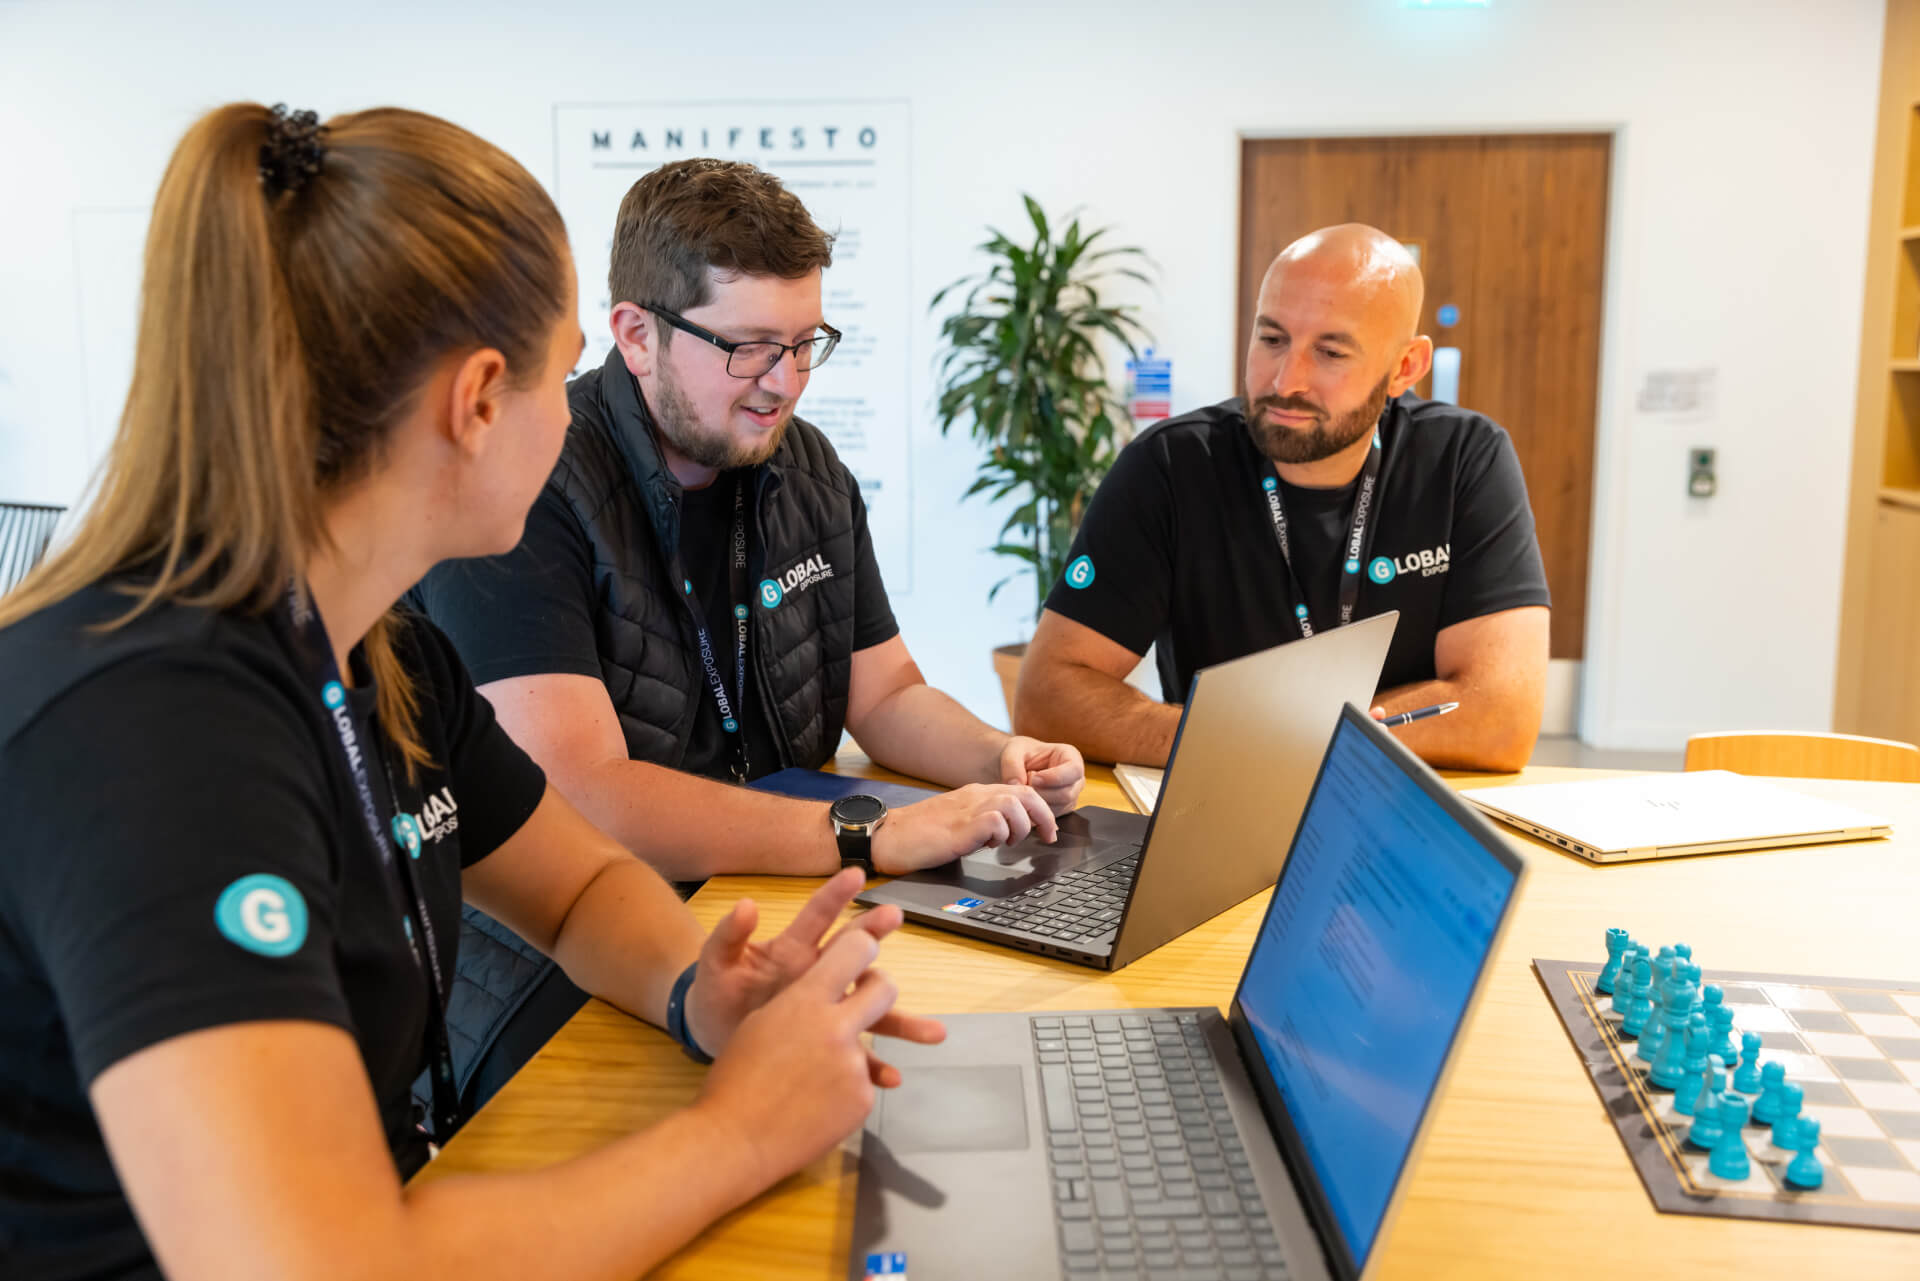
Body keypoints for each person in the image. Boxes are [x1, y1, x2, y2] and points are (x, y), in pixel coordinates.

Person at [0, 102, 939, 1281]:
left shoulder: (384, 657)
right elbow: (318, 1265)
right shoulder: (152, 738)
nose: (578, 412)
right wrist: (741, 1132)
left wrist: (701, 991)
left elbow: (582, 887)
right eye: (562, 371)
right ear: (480, 399)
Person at [410, 157, 1086, 882]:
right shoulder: (529, 486)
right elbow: (579, 794)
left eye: (803, 343)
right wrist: (863, 835)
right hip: (593, 926)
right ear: (636, 335)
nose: (785, 383)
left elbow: (887, 695)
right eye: (749, 348)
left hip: (773, 881)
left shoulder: (809, 467)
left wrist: (999, 757)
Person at [1016, 224, 1551, 774]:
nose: (1285, 381)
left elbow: (1502, 716)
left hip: (1396, 802)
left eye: (1330, 352)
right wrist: (1252, 741)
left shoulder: (1463, 458)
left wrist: (1295, 740)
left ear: (1405, 367)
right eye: (1271, 339)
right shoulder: (1171, 465)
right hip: (1222, 793)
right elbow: (1046, 697)